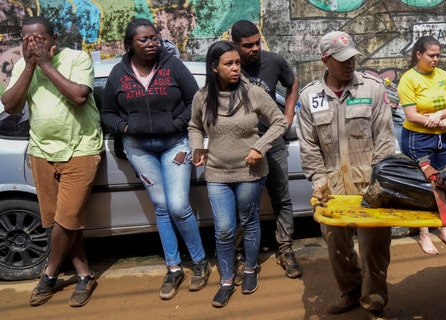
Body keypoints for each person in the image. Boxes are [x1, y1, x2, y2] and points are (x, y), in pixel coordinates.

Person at [100, 18, 210, 300]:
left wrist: (177, 123)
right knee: (161, 205)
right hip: (139, 148)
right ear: (130, 44)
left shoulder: (172, 66)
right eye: (144, 40)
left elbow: (195, 101)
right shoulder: (118, 73)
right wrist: (125, 128)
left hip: (175, 145)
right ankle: (174, 268)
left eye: (154, 38)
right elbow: (107, 113)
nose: (151, 44)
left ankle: (200, 262)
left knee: (177, 204)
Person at [2, 16, 104, 307]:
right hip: (41, 152)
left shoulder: (77, 59)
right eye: (26, 40)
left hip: (80, 148)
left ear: (53, 38)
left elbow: (79, 96)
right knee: (61, 221)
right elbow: (10, 105)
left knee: (67, 218)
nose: (33, 45)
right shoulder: (23, 66)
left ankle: (49, 273)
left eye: (39, 40)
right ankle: (84, 275)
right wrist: (31, 66)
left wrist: (45, 63)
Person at [296, 31, 396, 320]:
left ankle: (374, 303)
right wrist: (318, 180)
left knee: (374, 248)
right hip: (332, 188)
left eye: (352, 57)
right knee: (336, 247)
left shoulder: (373, 90)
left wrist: (380, 184)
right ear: (325, 61)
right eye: (342, 60)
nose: (350, 63)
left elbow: (385, 142)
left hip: (369, 185)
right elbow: (309, 145)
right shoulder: (310, 97)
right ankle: (351, 291)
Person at [188, 40, 287, 308]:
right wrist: (197, 147)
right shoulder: (203, 96)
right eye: (228, 63)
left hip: (250, 171)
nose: (235, 68)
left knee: (249, 219)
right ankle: (227, 281)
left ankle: (252, 269)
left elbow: (280, 121)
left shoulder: (253, 93)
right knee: (224, 228)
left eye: (237, 63)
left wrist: (260, 146)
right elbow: (194, 126)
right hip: (217, 172)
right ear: (214, 67)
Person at [230, 19, 302, 280]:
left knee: (281, 196)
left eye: (257, 42)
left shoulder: (274, 61)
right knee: (244, 203)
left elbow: (292, 83)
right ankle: (241, 255)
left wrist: (288, 115)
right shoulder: (228, 66)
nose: (255, 48)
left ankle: (285, 249)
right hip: (242, 146)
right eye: (248, 45)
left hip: (272, 142)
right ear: (235, 45)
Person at [397, 35, 446, 255]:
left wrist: (439, 114)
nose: (436, 59)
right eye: (431, 55)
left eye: (438, 55)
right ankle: (423, 233)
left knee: (442, 181)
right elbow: (412, 115)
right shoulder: (408, 79)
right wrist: (439, 121)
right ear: (418, 55)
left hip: (442, 139)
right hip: (417, 139)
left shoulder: (443, 75)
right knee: (422, 184)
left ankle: (444, 228)